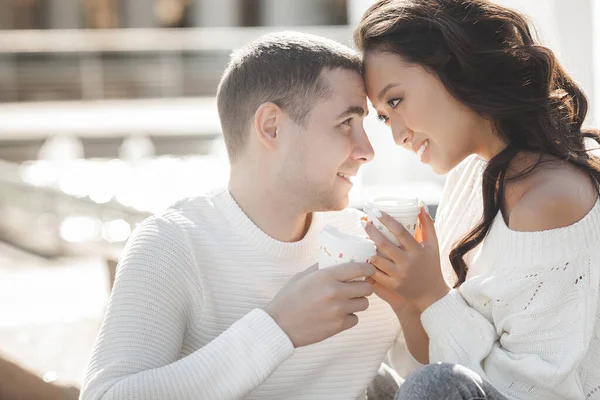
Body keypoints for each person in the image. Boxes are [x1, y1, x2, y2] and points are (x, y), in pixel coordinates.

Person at [80, 32, 408, 400]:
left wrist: (427, 297)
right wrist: (277, 329)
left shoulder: (369, 245)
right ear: (271, 126)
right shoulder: (173, 245)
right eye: (346, 123)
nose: (367, 151)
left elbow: (447, 378)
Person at [353, 0, 600, 399]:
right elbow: (438, 358)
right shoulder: (474, 175)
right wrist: (407, 300)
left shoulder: (552, 197)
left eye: (395, 101)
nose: (396, 135)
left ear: (455, 68)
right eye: (383, 117)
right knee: (357, 373)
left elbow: (525, 388)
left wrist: (432, 293)